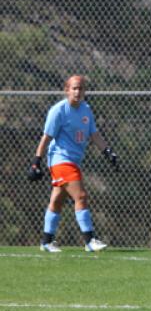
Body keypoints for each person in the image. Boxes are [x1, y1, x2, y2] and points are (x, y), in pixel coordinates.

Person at [28, 75, 119, 253]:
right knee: (81, 197)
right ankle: (90, 240)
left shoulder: (86, 109)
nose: (77, 92)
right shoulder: (59, 110)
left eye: (81, 88)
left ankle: (46, 241)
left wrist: (108, 152)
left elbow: (94, 135)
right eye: (74, 88)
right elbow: (46, 138)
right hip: (60, 160)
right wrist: (36, 162)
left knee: (57, 200)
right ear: (67, 90)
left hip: (74, 161)